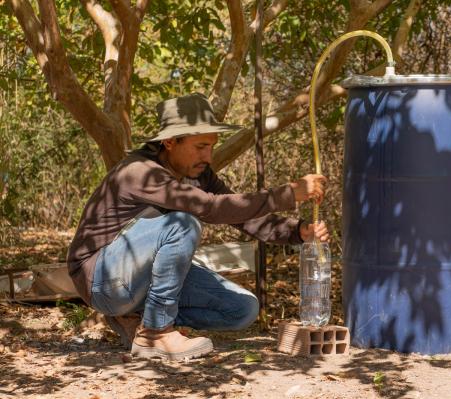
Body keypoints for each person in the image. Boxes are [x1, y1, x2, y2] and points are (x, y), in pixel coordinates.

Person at [67, 93, 329, 361]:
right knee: (183, 223)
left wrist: (296, 231)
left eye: (212, 146)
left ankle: (135, 318)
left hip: (138, 281)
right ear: (169, 142)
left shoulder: (198, 174)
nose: (208, 156)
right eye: (200, 146)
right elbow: (209, 208)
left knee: (243, 309)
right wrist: (286, 194)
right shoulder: (140, 171)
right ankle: (156, 332)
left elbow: (237, 213)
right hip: (102, 280)